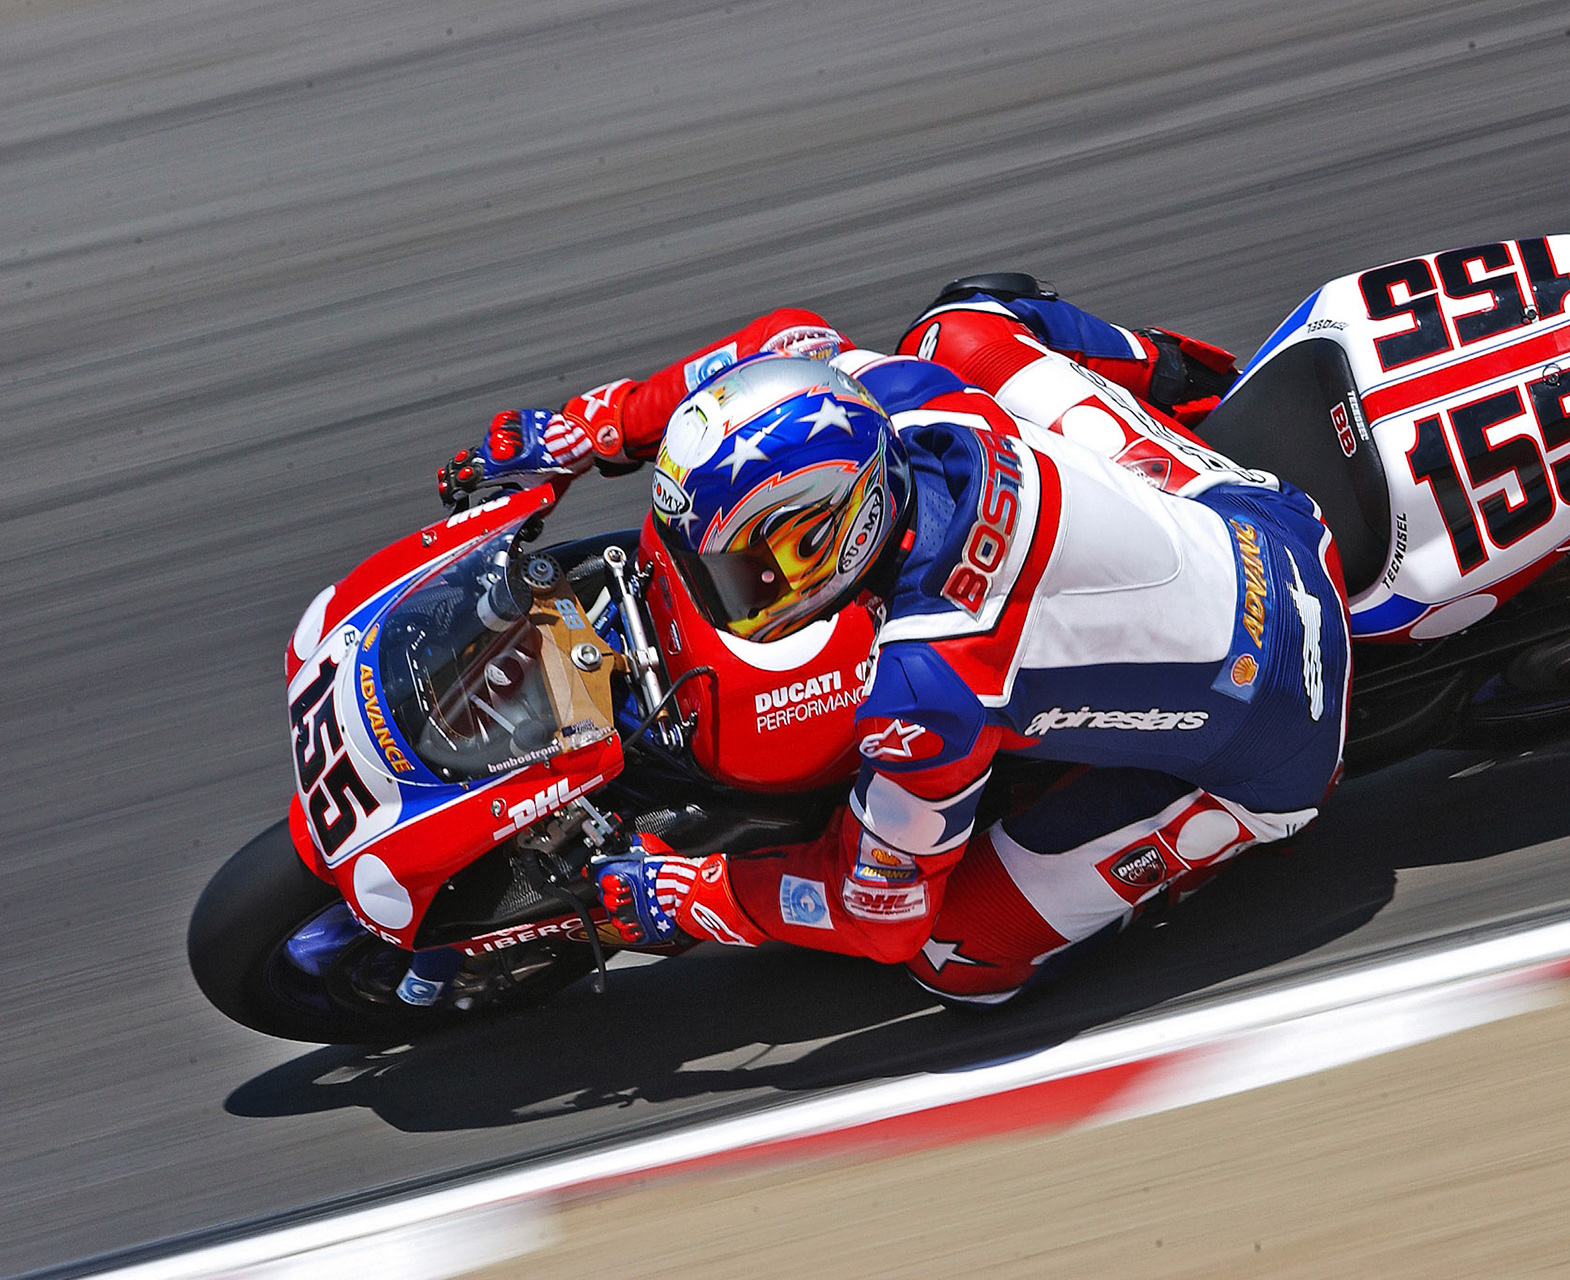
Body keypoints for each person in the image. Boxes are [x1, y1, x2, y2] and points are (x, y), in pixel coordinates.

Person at [440, 283, 1349, 1004]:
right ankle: (1187, 375)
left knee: (954, 956)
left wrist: (689, 896)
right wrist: (585, 431)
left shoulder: (926, 682)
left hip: (1281, 716)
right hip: (1244, 511)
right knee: (962, 325)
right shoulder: (894, 393)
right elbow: (780, 344)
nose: (728, 595)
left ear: (835, 525)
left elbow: (881, 915)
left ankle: (1219, 838)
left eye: (745, 572)